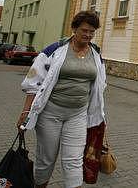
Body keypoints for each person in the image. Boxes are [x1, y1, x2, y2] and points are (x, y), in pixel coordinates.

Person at [17, 10, 107, 188]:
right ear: (74, 29)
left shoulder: (96, 54)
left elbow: (99, 87)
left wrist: (100, 116)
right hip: (50, 113)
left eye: (92, 32)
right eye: (84, 30)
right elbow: (33, 82)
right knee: (46, 159)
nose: (88, 35)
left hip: (78, 114)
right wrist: (26, 111)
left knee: (74, 160)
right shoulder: (55, 49)